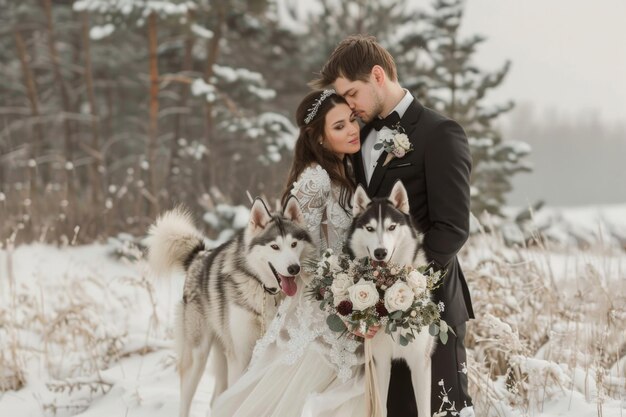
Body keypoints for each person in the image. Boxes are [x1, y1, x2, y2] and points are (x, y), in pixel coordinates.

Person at [311, 34, 475, 417]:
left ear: (378, 75)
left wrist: (401, 288)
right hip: (373, 319)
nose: (348, 106)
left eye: (352, 93)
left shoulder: (440, 134)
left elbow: (451, 228)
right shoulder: (358, 136)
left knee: (439, 410)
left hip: (428, 310)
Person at [211, 89, 370, 417]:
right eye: (339, 126)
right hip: (322, 310)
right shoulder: (315, 179)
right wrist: (338, 286)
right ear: (321, 138)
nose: (352, 129)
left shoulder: (346, 173)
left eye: (352, 120)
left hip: (348, 305)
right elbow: (296, 248)